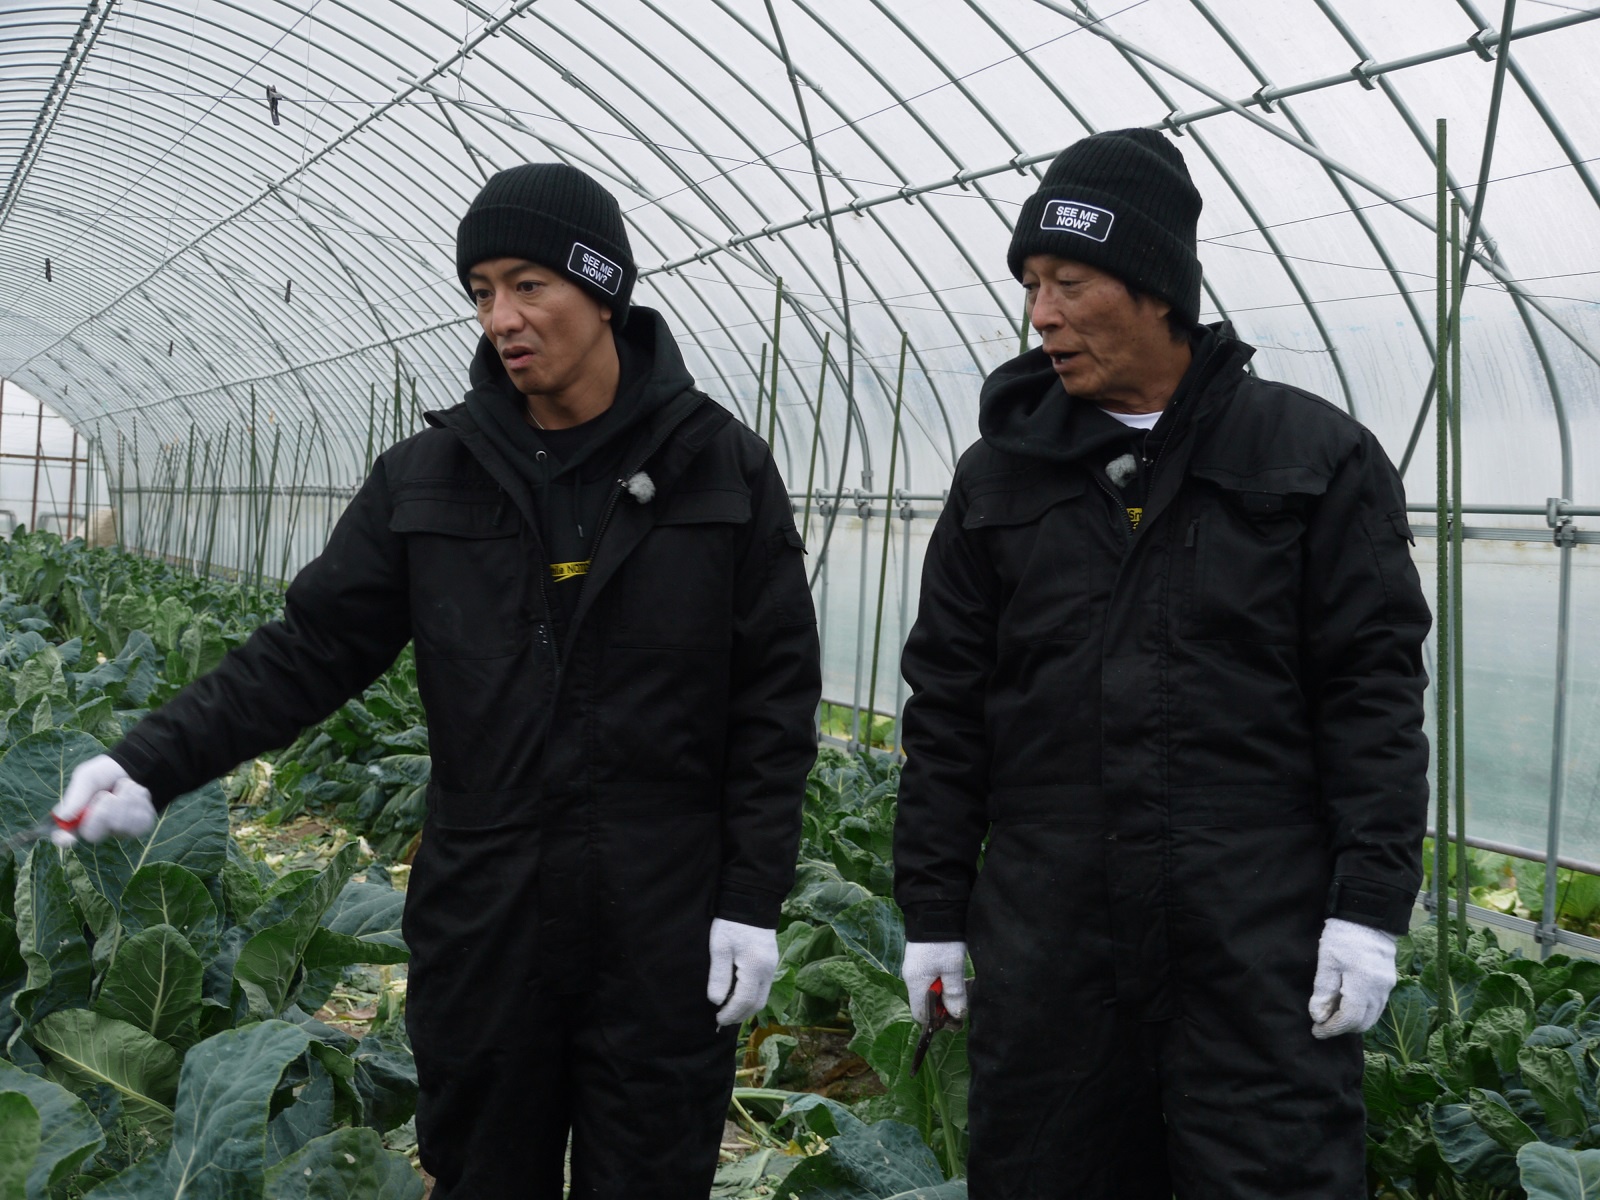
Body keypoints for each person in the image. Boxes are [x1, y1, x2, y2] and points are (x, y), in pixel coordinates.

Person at [52, 163, 822, 1199]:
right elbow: (308, 649)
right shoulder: (431, 477)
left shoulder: (717, 467)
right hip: (486, 921)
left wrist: (748, 898)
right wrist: (153, 762)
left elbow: (773, 703)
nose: (500, 316)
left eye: (527, 284)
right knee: (478, 1175)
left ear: (602, 288)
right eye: (479, 291)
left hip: (664, 924)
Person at [893, 129, 1430, 1198]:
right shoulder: (999, 481)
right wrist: (934, 914)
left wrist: (1368, 909)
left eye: (1069, 282)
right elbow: (947, 711)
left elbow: (1372, 699)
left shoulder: (1308, 459)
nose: (1040, 313)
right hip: (1051, 955)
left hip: (1252, 951)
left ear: (1153, 289)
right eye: (1031, 284)